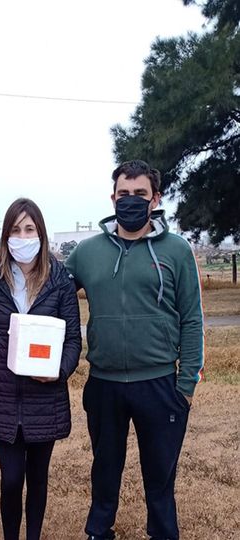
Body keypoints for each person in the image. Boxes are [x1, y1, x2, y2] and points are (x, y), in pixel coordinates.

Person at [65, 160, 204, 540]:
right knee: (105, 467)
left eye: (140, 194)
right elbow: (45, 289)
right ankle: (98, 530)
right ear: (112, 198)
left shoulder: (176, 251)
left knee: (160, 473)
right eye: (123, 194)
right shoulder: (87, 252)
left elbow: (192, 318)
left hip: (160, 384)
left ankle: (162, 532)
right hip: (104, 383)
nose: (131, 201)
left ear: (155, 198)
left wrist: (187, 384)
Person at [0, 197, 82, 540]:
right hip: (3, 399)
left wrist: (59, 371)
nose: (23, 237)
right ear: (5, 235)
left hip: (46, 399)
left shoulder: (60, 281)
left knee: (38, 479)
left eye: (29, 229)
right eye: (15, 230)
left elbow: (72, 341)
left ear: (40, 233)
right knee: (11, 480)